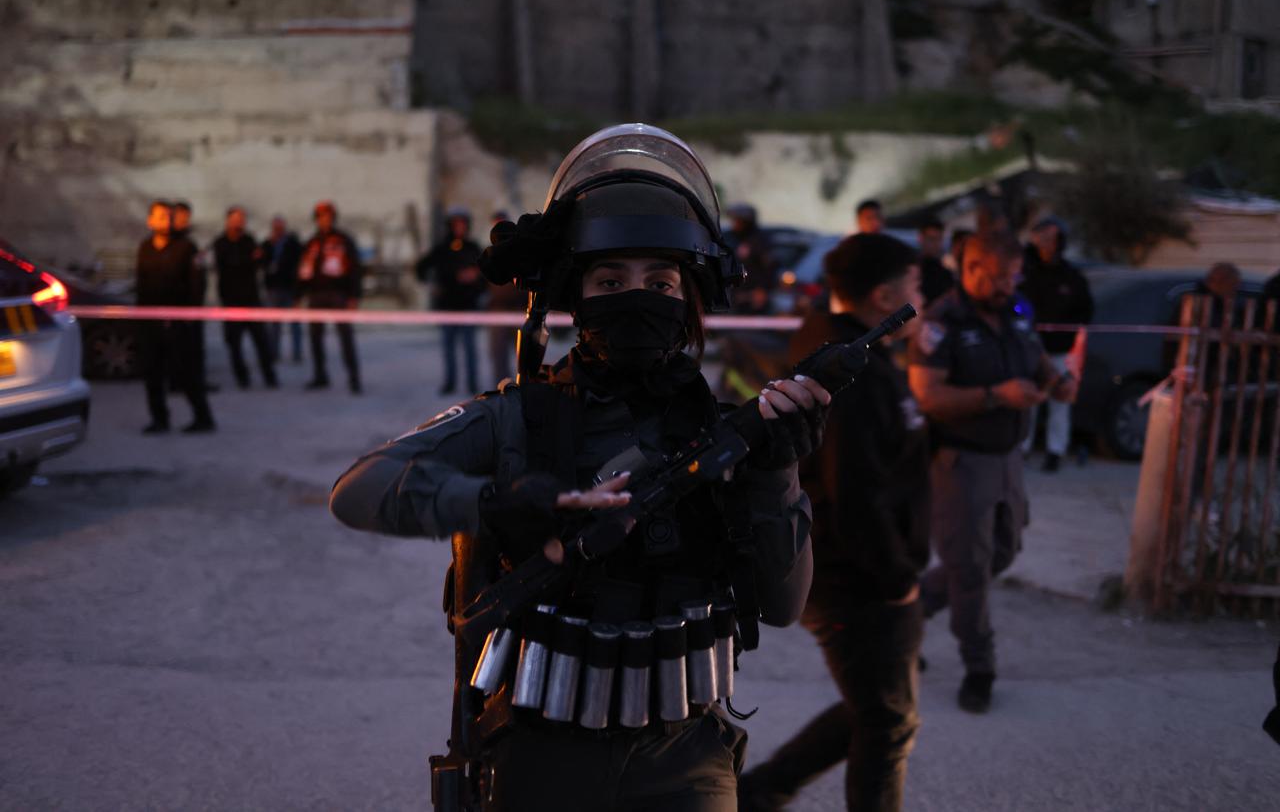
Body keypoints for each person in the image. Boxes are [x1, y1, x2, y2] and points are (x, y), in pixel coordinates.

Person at [329, 124, 827, 811]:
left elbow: (783, 605)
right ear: (577, 295)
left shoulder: (726, 432)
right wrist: (495, 503)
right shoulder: (520, 416)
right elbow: (359, 490)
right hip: (543, 748)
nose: (636, 295)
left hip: (685, 755)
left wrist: (779, 471)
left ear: (690, 296)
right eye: (610, 279)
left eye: (660, 280)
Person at [738, 234, 929, 812]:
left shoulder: (847, 349)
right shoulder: (850, 369)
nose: (921, 299)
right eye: (916, 287)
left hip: (860, 566)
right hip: (856, 577)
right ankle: (760, 790)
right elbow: (855, 491)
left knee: (877, 707)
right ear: (885, 297)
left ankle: (761, 791)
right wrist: (896, 578)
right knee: (887, 720)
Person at [908, 228, 1077, 713]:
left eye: (1014, 276)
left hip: (1009, 460)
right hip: (961, 463)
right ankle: (979, 669)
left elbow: (1037, 357)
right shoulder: (941, 322)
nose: (1009, 286)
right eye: (1000, 277)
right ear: (971, 268)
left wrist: (1058, 381)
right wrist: (996, 396)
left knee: (1002, 552)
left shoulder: (1017, 310)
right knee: (970, 571)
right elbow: (928, 396)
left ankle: (909, 614)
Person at [1018, 216, 1093, 472]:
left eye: (1052, 239)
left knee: (1060, 401)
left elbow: (1085, 311)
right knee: (1028, 400)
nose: (1047, 244)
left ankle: (1055, 451)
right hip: (1030, 348)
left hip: (1060, 350)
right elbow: (1015, 305)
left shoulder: (1071, 277)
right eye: (1042, 238)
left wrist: (1069, 335)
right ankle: (1022, 448)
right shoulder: (1026, 273)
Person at [135, 200, 216, 434]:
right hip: (152, 323)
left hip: (180, 322)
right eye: (161, 217)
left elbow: (197, 284)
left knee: (187, 371)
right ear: (150, 221)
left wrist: (190, 315)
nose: (166, 222)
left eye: (169, 217)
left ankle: (203, 417)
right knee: (153, 373)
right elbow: (141, 284)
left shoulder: (187, 248)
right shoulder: (145, 248)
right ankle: (159, 419)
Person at [416, 207, 488, 395]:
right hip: (448, 306)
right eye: (456, 224)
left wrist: (476, 277)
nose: (460, 227)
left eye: (463, 224)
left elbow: (488, 274)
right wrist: (431, 286)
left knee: (470, 348)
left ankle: (472, 384)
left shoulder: (473, 248)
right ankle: (450, 383)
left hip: (469, 306)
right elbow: (421, 268)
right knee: (448, 348)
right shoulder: (442, 249)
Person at [298, 200, 363, 393]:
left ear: (333, 218)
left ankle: (354, 379)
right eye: (321, 216)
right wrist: (298, 295)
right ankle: (320, 376)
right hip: (316, 295)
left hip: (339, 294)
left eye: (327, 216)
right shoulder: (312, 242)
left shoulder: (344, 240)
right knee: (315, 338)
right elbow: (304, 270)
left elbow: (355, 270)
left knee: (346, 337)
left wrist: (354, 296)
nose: (324, 220)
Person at [212, 207, 278, 389]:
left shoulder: (249, 240)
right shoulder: (220, 243)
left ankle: (269, 376)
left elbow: (261, 262)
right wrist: (248, 260)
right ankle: (242, 378)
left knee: (261, 341)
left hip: (251, 299)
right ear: (228, 221)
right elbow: (226, 266)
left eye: (241, 219)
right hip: (231, 300)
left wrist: (262, 253)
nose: (239, 222)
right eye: (235, 219)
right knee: (234, 344)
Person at [171, 200, 217, 394]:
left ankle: (194, 382)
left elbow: (197, 277)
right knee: (177, 348)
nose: (184, 221)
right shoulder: (168, 245)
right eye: (180, 217)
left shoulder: (189, 244)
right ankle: (177, 382)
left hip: (191, 307)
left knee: (194, 348)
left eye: (186, 217)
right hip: (175, 308)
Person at [485, 210, 522, 384]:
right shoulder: (487, 255)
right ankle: (502, 386)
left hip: (519, 310)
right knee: (498, 353)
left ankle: (526, 386)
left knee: (524, 354)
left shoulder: (519, 252)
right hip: (498, 310)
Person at [262, 215, 304, 364]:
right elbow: (262, 262)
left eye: (280, 227)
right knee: (274, 325)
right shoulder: (268, 244)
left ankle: (297, 353)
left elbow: (299, 264)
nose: (278, 230)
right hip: (274, 288)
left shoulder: (292, 244)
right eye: (276, 228)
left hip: (290, 288)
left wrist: (299, 290)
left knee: (295, 324)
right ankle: (274, 353)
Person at [726, 203, 776, 315]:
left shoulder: (760, 240)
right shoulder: (730, 238)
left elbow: (769, 267)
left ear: (746, 222)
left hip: (754, 295)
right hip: (735, 294)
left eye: (738, 221)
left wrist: (762, 289)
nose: (735, 224)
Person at [917, 216, 954, 305]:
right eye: (931, 239)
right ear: (921, 238)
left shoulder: (945, 272)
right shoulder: (912, 269)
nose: (936, 244)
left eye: (939, 239)